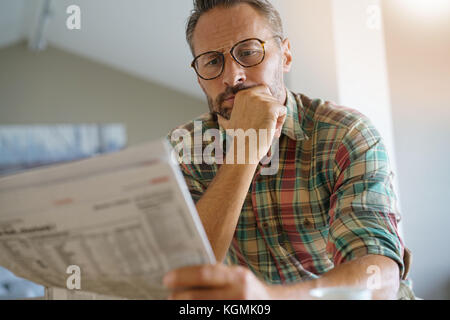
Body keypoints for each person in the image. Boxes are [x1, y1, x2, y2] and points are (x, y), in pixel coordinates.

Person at [164, 0, 415, 300]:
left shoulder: (346, 134)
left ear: (286, 55)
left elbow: (379, 276)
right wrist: (245, 151)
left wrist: (270, 299)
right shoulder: (184, 149)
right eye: (212, 62)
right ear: (198, 76)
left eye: (248, 52)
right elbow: (184, 272)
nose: (232, 76)